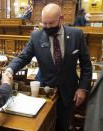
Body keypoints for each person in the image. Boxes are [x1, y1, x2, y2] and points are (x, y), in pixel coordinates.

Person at [6, 3, 92, 131]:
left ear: (61, 18)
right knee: (42, 126)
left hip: (68, 92)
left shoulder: (76, 35)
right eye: (44, 23)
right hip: (43, 91)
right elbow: (23, 57)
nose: (47, 27)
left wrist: (83, 88)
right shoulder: (36, 37)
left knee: (63, 126)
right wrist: (9, 70)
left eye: (51, 23)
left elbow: (86, 65)